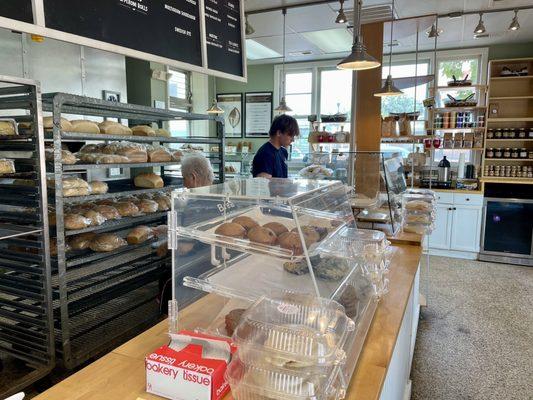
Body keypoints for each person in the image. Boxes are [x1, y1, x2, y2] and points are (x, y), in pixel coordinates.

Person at [158, 153, 214, 315]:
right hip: (215, 265)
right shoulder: (218, 197)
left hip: (195, 269)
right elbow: (198, 232)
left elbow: (184, 248)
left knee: (166, 282)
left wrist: (166, 245)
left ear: (193, 177)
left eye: (184, 178)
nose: (184, 183)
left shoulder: (195, 205)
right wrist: (170, 229)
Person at [252, 114, 300, 178]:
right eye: (290, 135)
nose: (293, 140)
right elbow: (264, 185)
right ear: (279, 133)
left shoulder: (283, 152)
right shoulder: (266, 154)